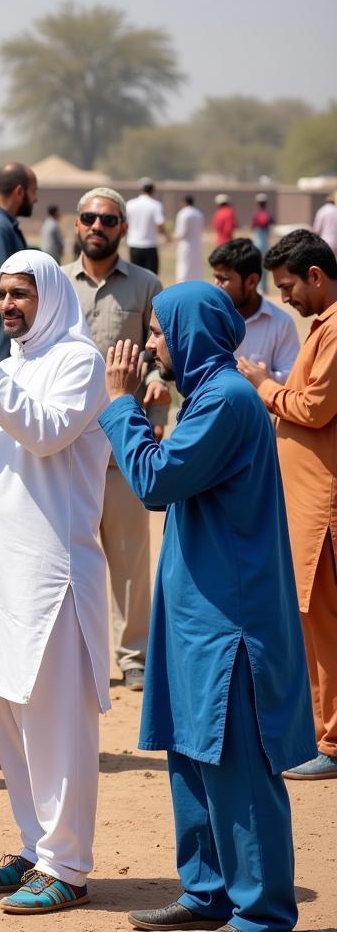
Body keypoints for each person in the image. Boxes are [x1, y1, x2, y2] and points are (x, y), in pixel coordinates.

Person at [100, 282, 315, 932]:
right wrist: (147, 419)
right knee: (192, 751)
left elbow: (154, 483)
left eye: (161, 332)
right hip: (199, 614)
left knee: (237, 766)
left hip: (230, 623)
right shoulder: (210, 399)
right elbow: (173, 478)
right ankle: (208, 892)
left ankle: (264, 912)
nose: (152, 342)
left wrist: (121, 405)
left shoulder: (226, 400)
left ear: (190, 331)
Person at [0, 250, 110, 914]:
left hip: (52, 573)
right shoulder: (15, 362)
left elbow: (44, 433)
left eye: (21, 294)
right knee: (6, 712)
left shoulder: (78, 361)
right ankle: (35, 849)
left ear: (52, 296)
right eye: (1, 294)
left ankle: (69, 865)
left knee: (55, 724)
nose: (7, 305)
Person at [238, 229, 337, 780]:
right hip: (306, 503)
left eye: (289, 286)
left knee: (323, 628)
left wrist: (261, 384)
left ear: (316, 277)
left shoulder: (335, 332)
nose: (286, 299)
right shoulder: (321, 330)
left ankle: (332, 742)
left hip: (322, 507)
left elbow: (315, 407)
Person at [64, 187, 169, 692]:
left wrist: (160, 389)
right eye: (89, 217)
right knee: (69, 551)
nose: (97, 226)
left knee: (129, 553)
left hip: (125, 438)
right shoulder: (58, 283)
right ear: (77, 224)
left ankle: (133, 656)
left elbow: (164, 350)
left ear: (124, 228)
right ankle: (78, 649)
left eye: (108, 218)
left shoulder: (147, 284)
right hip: (65, 445)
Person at [209, 238, 299, 383]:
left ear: (251, 281)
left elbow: (292, 379)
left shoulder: (281, 323)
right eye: (215, 278)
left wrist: (262, 378)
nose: (216, 286)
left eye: (223, 279)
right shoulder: (208, 318)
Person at [0, 162, 39, 358]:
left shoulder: (3, 225)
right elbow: (4, 288)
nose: (35, 199)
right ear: (19, 191)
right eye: (33, 192)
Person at [125, 178, 165, 275]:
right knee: (152, 277)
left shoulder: (130, 204)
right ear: (153, 190)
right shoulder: (156, 205)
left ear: (141, 189)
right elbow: (159, 224)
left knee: (135, 276)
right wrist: (167, 236)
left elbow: (125, 223)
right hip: (150, 245)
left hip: (134, 244)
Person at [172, 195, 204, 284]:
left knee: (184, 266)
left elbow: (181, 232)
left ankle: (182, 284)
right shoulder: (198, 213)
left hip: (185, 245)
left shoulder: (183, 213)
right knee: (195, 267)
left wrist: (171, 238)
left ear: (184, 202)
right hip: (197, 245)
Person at [249, 193, 273, 292]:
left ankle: (259, 287)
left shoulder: (256, 214)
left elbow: (252, 225)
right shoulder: (268, 214)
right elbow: (271, 222)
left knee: (257, 264)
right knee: (265, 264)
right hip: (266, 240)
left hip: (258, 239)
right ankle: (265, 287)